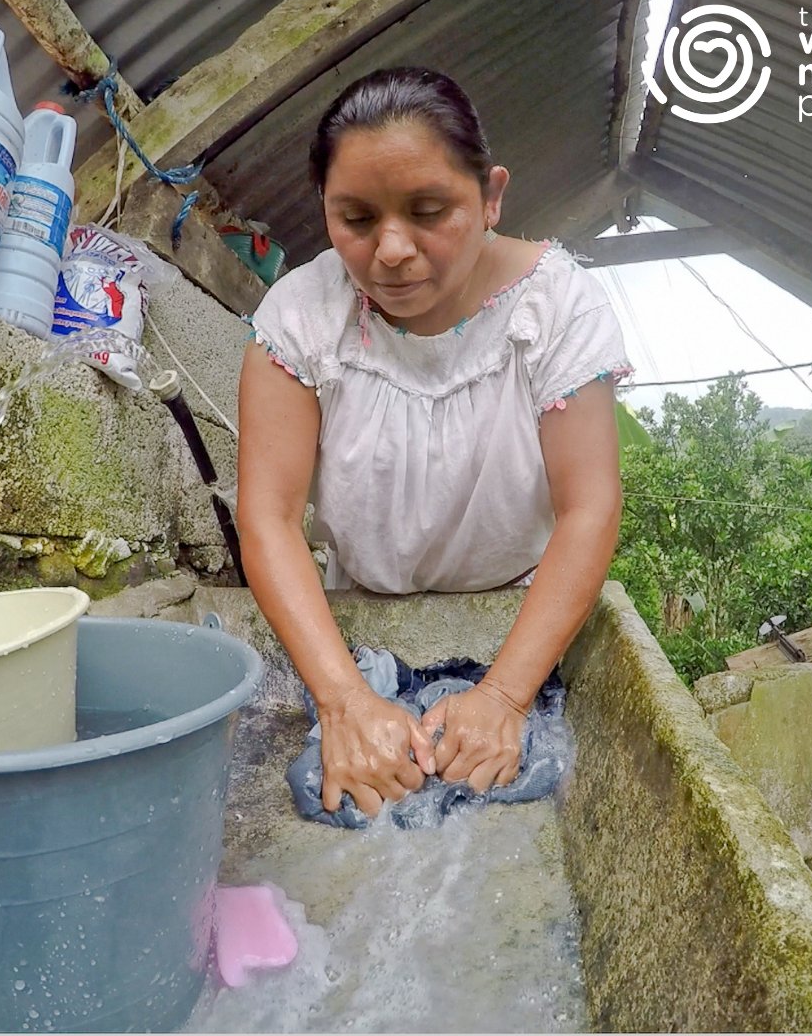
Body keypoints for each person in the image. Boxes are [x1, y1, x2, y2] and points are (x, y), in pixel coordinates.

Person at [237, 66, 631, 821]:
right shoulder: (302, 317)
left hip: (516, 622)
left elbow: (590, 509)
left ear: (491, 196)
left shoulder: (556, 308)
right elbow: (269, 517)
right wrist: (346, 698)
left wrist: (508, 695)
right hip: (357, 620)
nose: (391, 250)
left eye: (429, 211)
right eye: (355, 218)